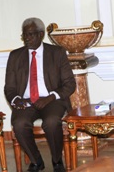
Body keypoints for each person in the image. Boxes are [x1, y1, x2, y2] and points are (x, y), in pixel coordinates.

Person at [4, 17, 76, 172]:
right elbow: (9, 87)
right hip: (27, 101)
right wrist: (17, 100)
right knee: (19, 123)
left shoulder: (57, 53)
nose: (27, 39)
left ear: (41, 34)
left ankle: (57, 160)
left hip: (52, 100)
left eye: (31, 34)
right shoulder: (15, 56)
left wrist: (50, 97)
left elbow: (70, 84)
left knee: (51, 122)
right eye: (25, 35)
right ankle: (36, 161)